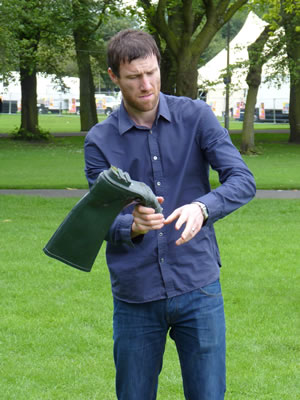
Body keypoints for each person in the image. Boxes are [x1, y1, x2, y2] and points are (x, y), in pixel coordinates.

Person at [84, 29, 256, 400]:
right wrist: (129, 226)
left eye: (152, 72)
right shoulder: (99, 141)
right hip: (136, 295)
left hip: (198, 286)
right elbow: (96, 217)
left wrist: (203, 207)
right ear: (114, 77)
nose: (146, 85)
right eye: (133, 77)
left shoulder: (196, 116)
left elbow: (242, 179)